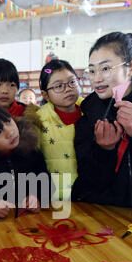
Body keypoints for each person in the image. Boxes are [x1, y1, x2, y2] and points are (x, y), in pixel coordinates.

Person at [72, 32, 132, 213]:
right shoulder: (88, 117)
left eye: (105, 68)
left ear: (131, 67)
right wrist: (104, 151)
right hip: (105, 219)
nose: (97, 78)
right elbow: (88, 182)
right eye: (91, 70)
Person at [24, 59, 83, 200]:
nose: (68, 88)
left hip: (91, 194)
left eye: (72, 82)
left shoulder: (92, 113)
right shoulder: (37, 120)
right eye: (58, 86)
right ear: (45, 95)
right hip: (55, 197)